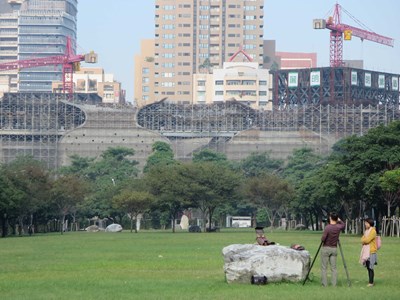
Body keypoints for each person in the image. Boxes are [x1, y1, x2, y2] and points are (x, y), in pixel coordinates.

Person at [320, 212, 345, 287]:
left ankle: (324, 284)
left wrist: (322, 240)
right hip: (334, 248)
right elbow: (343, 225)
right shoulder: (338, 227)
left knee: (324, 267)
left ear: (330, 218)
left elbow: (323, 238)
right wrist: (339, 220)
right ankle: (334, 284)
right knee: (334, 268)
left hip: (326, 248)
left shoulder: (328, 227)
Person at [359, 218, 377, 287]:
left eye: (366, 223)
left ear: (370, 223)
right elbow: (362, 239)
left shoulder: (373, 231)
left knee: (370, 267)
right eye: (365, 223)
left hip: (371, 251)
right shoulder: (366, 231)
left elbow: (367, 240)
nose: (365, 224)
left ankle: (371, 282)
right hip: (366, 251)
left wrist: (364, 240)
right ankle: (370, 281)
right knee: (368, 267)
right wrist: (364, 240)